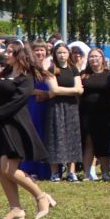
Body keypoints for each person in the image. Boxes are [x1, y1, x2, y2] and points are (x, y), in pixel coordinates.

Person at [0, 42, 52, 219]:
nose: (5, 54)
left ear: (19, 55)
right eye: (6, 51)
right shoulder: (5, 73)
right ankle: (16, 209)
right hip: (1, 125)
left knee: (9, 169)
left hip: (15, 125)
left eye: (9, 52)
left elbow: (15, 104)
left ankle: (41, 196)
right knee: (0, 168)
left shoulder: (26, 79)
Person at [44, 41, 85, 182]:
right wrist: (73, 91)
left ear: (69, 54)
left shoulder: (73, 69)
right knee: (56, 136)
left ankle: (71, 172)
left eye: (64, 52)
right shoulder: (51, 70)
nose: (62, 55)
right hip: (56, 107)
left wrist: (67, 91)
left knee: (72, 137)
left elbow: (80, 89)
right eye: (59, 52)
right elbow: (54, 89)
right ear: (55, 54)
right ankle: (55, 172)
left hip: (72, 107)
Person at [80, 47, 110, 182]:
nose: (94, 59)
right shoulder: (84, 75)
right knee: (88, 142)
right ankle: (87, 174)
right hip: (86, 113)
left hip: (104, 113)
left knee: (103, 143)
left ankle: (106, 172)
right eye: (91, 57)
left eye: (97, 56)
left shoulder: (109, 75)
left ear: (102, 59)